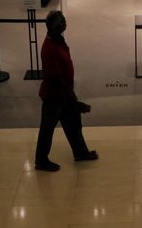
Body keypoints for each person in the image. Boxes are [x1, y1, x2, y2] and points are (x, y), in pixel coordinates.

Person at [35, 10, 98, 172]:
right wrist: (73, 99)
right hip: (54, 96)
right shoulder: (49, 47)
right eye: (61, 24)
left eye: (64, 22)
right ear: (52, 28)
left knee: (73, 124)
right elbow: (55, 77)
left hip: (64, 94)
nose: (64, 25)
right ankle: (41, 160)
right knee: (47, 129)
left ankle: (80, 152)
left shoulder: (58, 41)